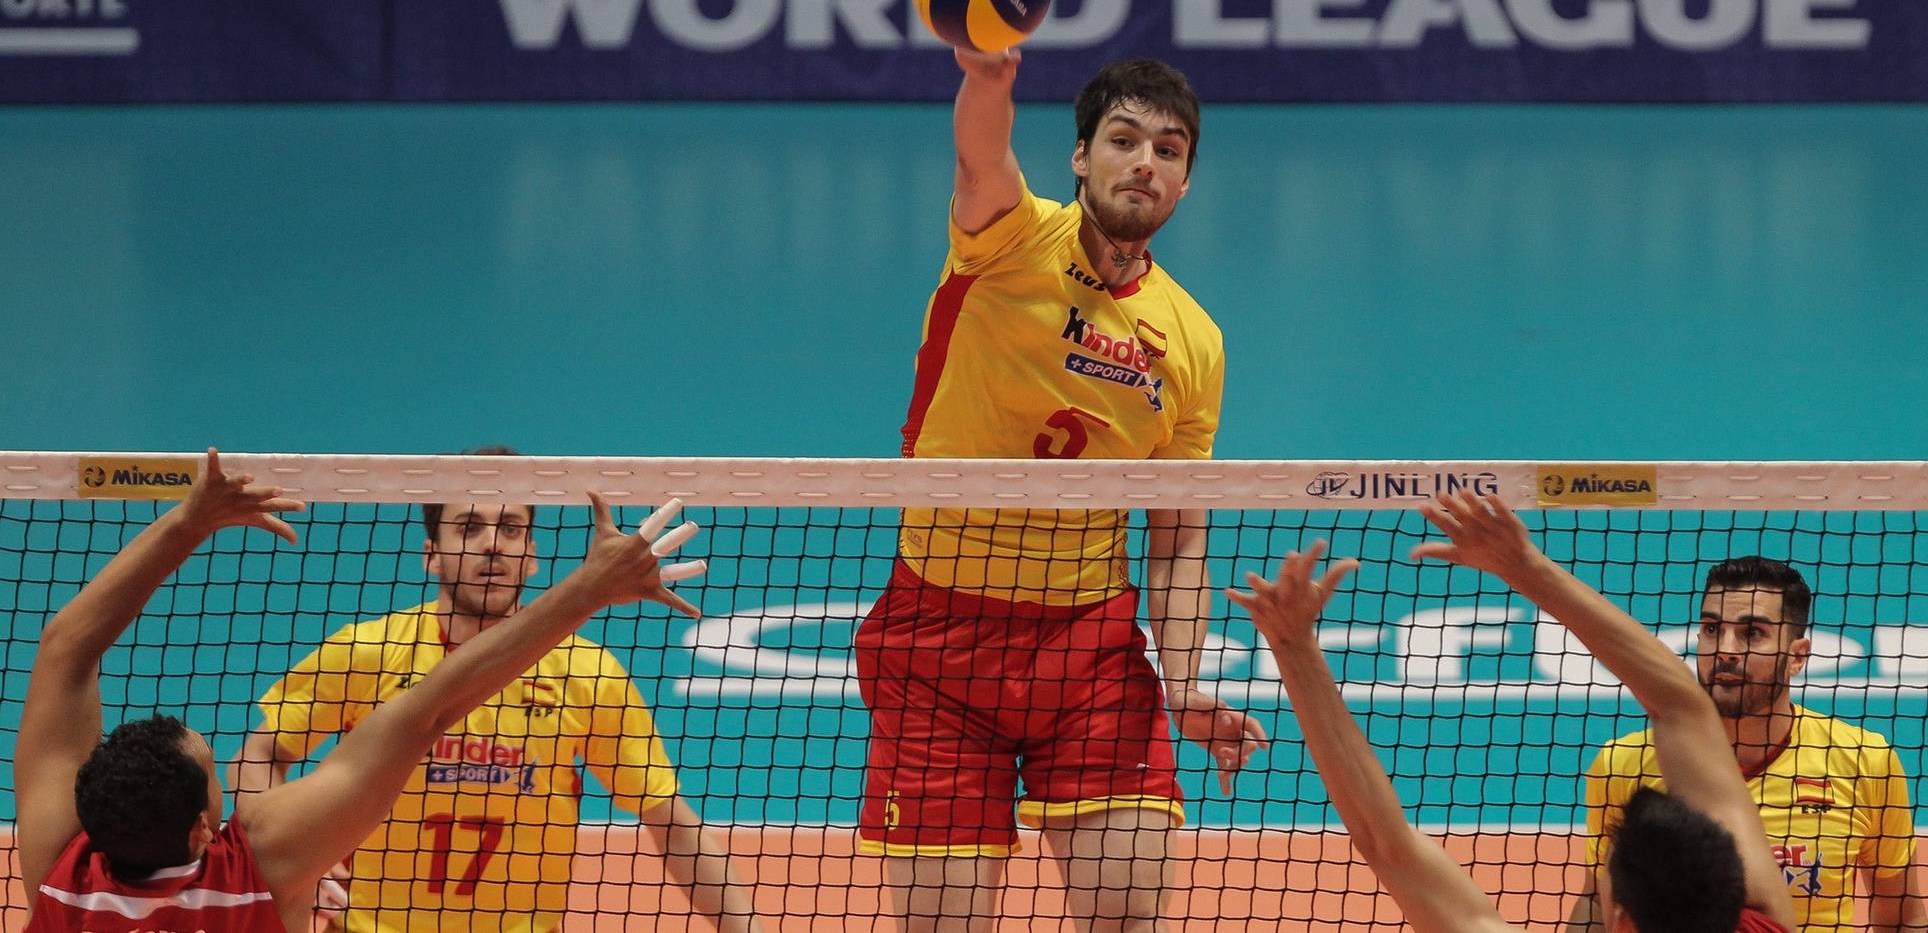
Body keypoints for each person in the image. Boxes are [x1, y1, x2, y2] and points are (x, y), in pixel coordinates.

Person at [859, 48, 1263, 933]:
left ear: (1186, 183)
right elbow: (979, 153)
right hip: (939, 644)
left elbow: (1179, 532)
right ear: (1081, 157)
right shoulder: (1008, 233)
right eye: (1123, 140)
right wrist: (990, 76)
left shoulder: (1194, 342)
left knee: (1128, 918)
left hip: (1089, 651)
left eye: (1169, 150)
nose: (1145, 162)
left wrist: (1186, 679)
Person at [17, 449, 714, 933]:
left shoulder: (60, 878)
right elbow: (431, 709)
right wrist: (589, 589)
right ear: (204, 831)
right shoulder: (257, 871)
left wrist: (187, 523)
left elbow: (62, 655)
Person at [230, 448, 761, 933]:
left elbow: (669, 821)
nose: (491, 544)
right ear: (431, 554)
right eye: (469, 528)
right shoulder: (365, 654)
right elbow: (260, 750)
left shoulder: (587, 672)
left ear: (530, 555)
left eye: (510, 529)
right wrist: (277, 855)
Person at [1227, 490, 1800, 933]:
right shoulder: (1764, 919)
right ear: (1738, 888)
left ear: (1621, 919)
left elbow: (1388, 844)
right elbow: (1682, 707)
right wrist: (1524, 566)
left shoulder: (1756, 913)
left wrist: (1294, 649)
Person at [1568, 558, 1928, 932]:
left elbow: (1902, 914)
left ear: (1797, 656)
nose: (1725, 649)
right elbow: (1597, 900)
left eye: (1752, 632)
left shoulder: (1862, 760)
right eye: (1711, 629)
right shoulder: (1624, 762)